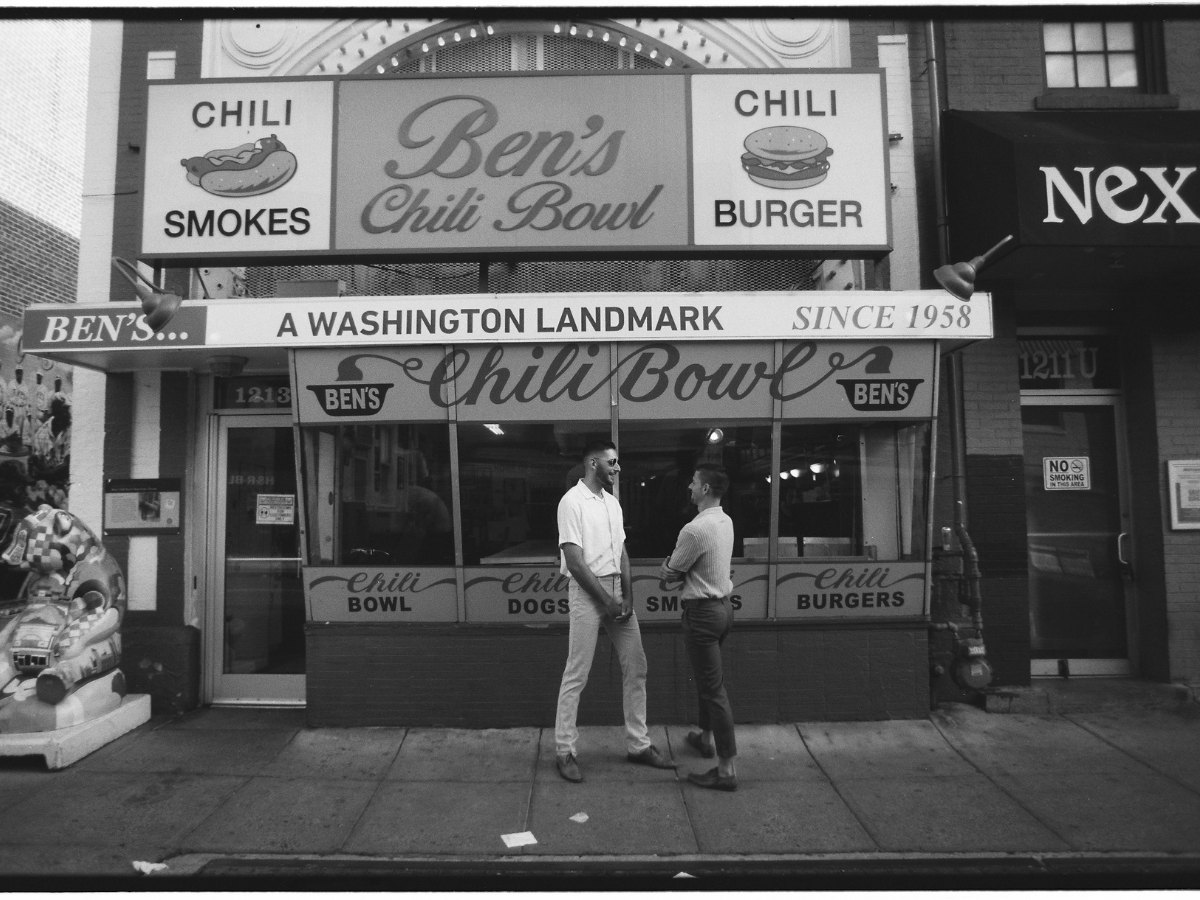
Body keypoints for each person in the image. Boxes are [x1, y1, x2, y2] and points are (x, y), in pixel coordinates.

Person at [554, 439, 676, 783]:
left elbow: (621, 550)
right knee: (576, 673)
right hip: (586, 592)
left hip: (616, 592)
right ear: (594, 464)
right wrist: (606, 600)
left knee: (637, 666)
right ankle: (564, 750)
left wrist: (628, 595)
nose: (617, 468)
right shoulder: (571, 502)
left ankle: (638, 745)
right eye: (612, 462)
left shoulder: (612, 503)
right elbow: (575, 562)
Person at [660, 463, 739, 792]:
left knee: (714, 691)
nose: (689, 487)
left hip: (702, 615)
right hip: (723, 610)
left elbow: (669, 573)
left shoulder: (694, 530)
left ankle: (726, 770)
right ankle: (705, 739)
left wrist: (668, 570)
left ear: (705, 489)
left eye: (693, 482)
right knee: (710, 683)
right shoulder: (725, 520)